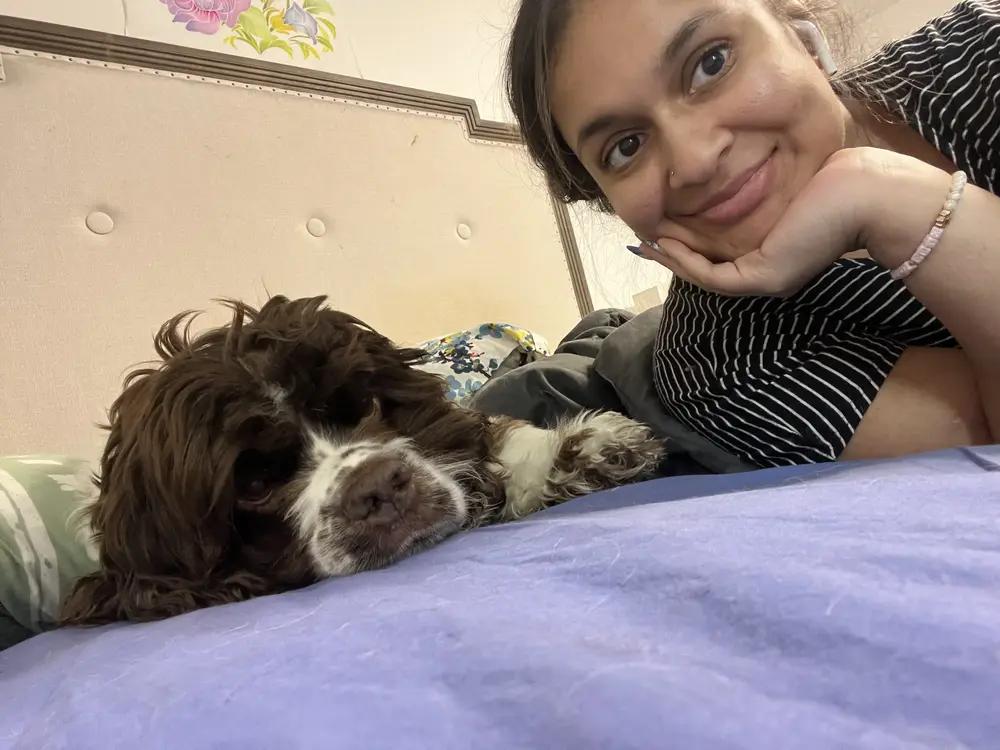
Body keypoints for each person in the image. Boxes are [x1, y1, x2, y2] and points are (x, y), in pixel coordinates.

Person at [499, 0, 1000, 468]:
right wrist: (903, 210)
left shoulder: (977, 56)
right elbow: (980, 471)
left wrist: (894, 192)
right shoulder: (716, 362)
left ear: (798, 32)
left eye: (711, 63)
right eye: (626, 146)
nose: (694, 160)